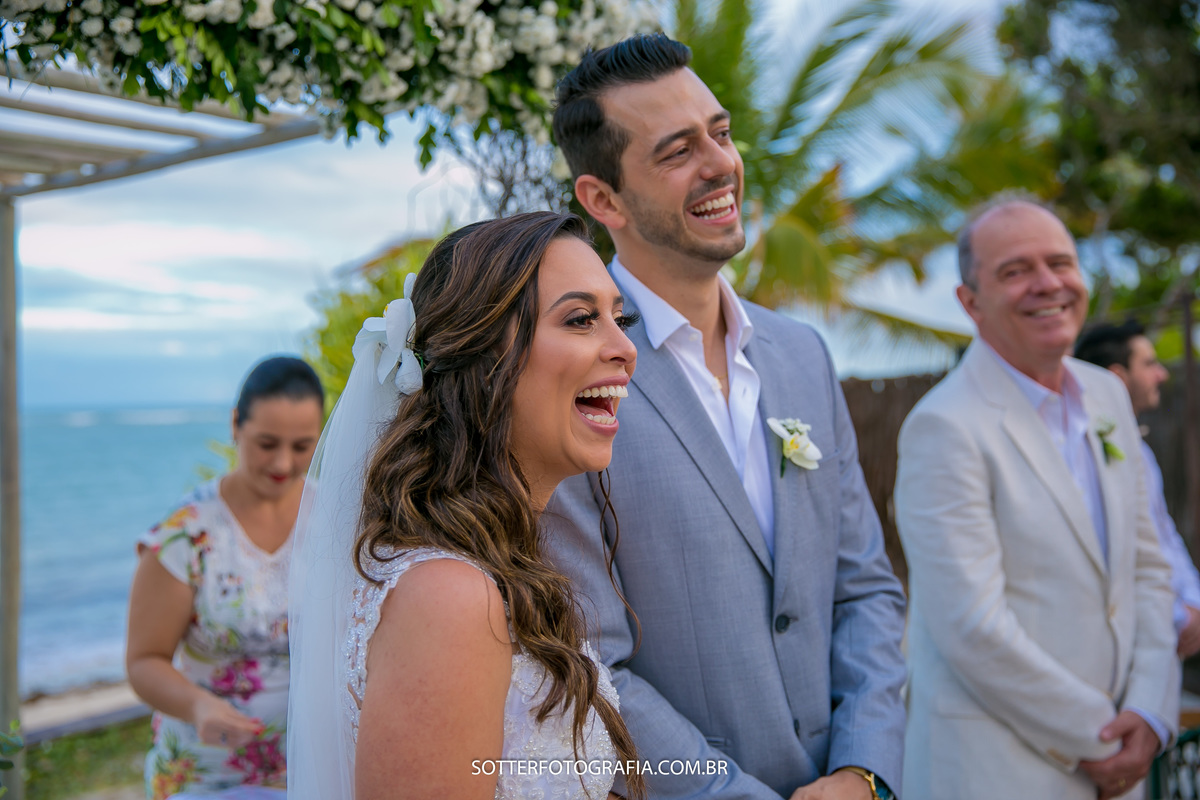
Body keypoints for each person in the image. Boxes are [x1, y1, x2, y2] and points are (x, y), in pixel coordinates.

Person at [543, 34, 907, 800]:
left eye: (722, 132)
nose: (721, 164)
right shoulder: (565, 371)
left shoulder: (803, 353)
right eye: (677, 150)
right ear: (602, 200)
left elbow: (863, 589)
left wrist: (864, 771)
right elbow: (590, 658)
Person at [286, 211, 646, 800]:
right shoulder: (449, 596)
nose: (625, 348)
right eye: (582, 319)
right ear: (482, 360)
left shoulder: (489, 560)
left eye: (620, 317)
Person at [895, 197, 1179, 800]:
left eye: (1060, 263)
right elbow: (972, 627)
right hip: (999, 770)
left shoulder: (1107, 397)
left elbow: (1148, 571)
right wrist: (1105, 737)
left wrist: (1152, 712)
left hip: (1126, 760)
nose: (1048, 284)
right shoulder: (943, 427)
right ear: (970, 302)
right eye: (1015, 270)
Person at [126, 356, 325, 799]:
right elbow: (144, 661)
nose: (283, 463)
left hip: (312, 766)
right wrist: (198, 706)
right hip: (205, 771)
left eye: (302, 446)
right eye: (267, 443)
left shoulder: (337, 520)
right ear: (236, 425)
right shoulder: (187, 534)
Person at [1076, 320, 1200, 657]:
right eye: (1149, 364)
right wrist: (1174, 617)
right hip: (1124, 641)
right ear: (1118, 376)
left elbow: (1163, 532)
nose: (1162, 374)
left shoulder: (1139, 449)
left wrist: (1192, 601)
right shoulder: (1083, 449)